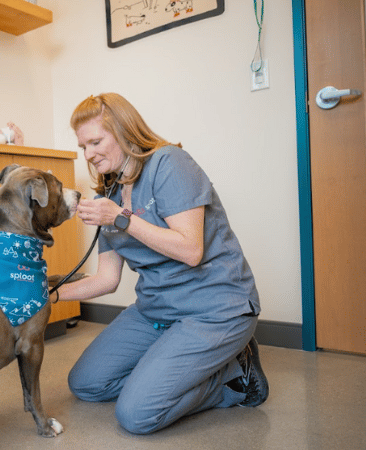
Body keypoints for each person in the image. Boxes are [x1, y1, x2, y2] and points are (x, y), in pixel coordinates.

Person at [54, 93, 269, 435]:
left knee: (137, 415)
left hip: (214, 309)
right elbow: (106, 279)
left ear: (125, 132)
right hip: (157, 311)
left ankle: (236, 377)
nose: (89, 154)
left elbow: (191, 250)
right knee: (86, 384)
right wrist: (50, 294)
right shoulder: (107, 198)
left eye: (95, 141)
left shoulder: (170, 163)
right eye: (83, 146)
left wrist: (121, 219)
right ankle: (171, 367)